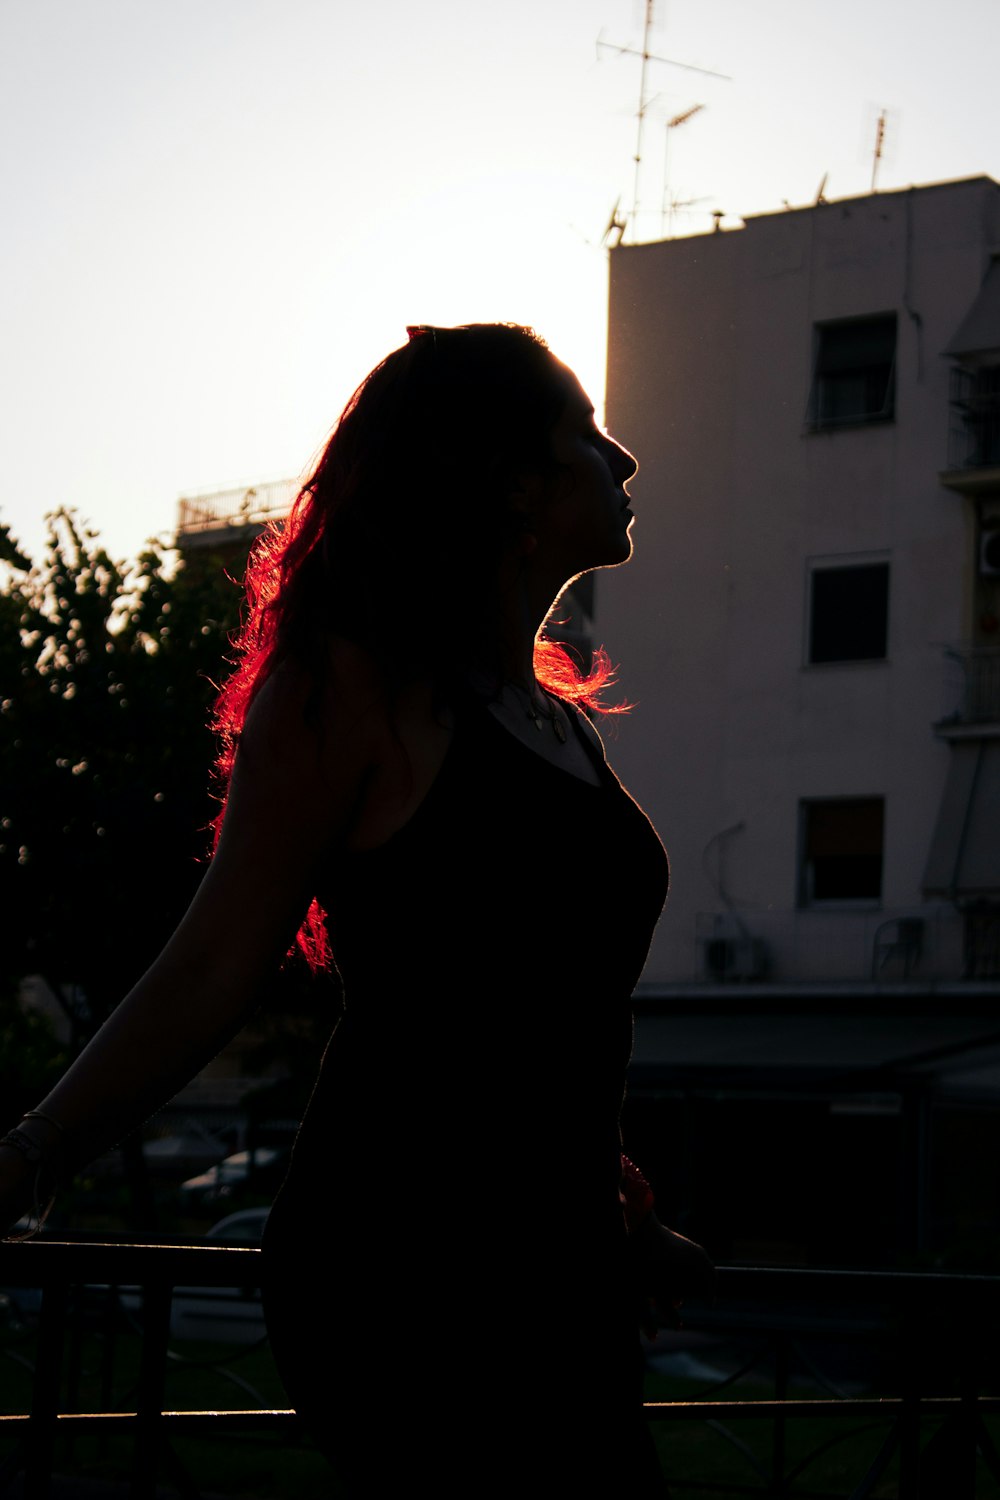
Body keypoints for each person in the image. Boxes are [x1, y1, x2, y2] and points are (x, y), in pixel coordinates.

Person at [0, 323, 713, 1495]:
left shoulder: (558, 719)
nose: (623, 458)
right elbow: (214, 961)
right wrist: (28, 1157)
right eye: (585, 431)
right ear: (510, 483)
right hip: (400, 1263)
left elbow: (540, 1019)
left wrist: (615, 1217)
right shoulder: (355, 688)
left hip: (557, 1276)